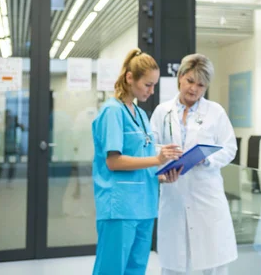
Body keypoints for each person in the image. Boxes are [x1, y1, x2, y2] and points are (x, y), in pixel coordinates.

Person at [91, 49, 182, 275]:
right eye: (147, 85)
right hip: (120, 206)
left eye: (154, 86)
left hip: (144, 205)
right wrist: (158, 159)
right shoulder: (112, 111)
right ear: (130, 78)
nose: (152, 91)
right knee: (111, 269)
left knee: (136, 269)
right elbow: (114, 161)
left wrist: (161, 175)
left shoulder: (140, 115)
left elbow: (141, 161)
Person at [151, 53, 238, 275]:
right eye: (190, 81)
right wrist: (162, 165)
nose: (194, 89)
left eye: (201, 85)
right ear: (180, 77)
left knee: (213, 263)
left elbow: (230, 148)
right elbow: (150, 147)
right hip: (174, 195)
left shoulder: (215, 112)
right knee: (175, 264)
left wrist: (207, 159)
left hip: (206, 196)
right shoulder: (162, 112)